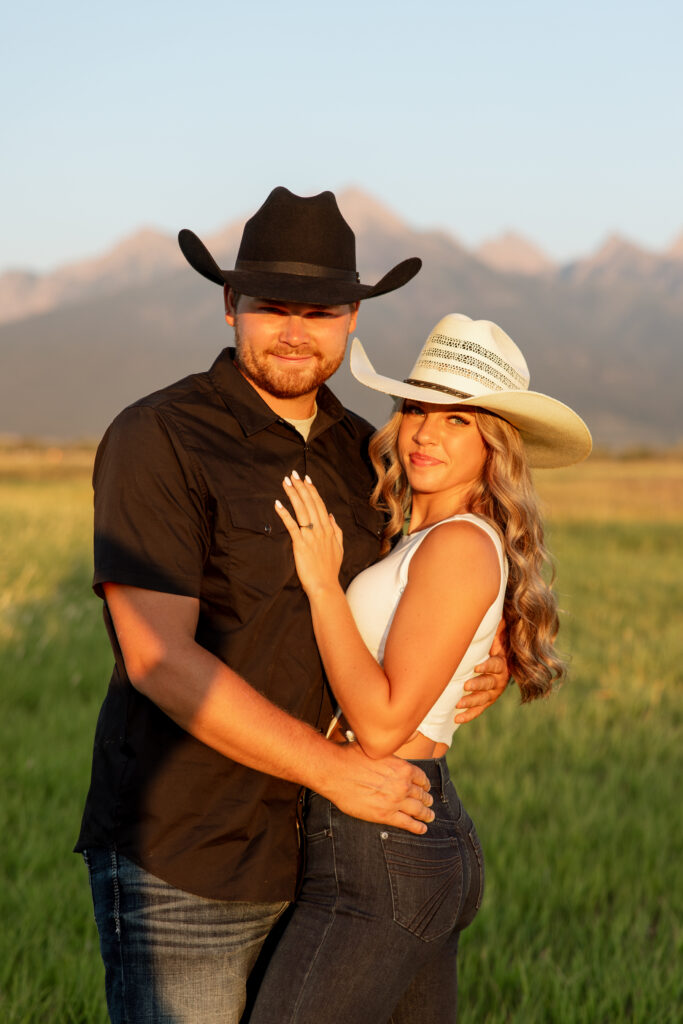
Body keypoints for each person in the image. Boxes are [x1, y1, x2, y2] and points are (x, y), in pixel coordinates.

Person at [74, 191, 510, 1024]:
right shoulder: (158, 438)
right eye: (274, 305)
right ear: (231, 304)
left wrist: (469, 674)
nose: (295, 330)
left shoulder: (365, 454)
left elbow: (407, 616)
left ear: (353, 320)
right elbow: (158, 659)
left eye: (321, 310)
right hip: (189, 856)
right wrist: (333, 770)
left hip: (330, 859)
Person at [248, 314, 592, 1024]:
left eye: (457, 420)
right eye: (415, 409)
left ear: (493, 443)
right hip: (402, 834)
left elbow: (378, 725)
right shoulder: (423, 535)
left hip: (381, 849)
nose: (425, 433)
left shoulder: (460, 545)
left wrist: (320, 585)